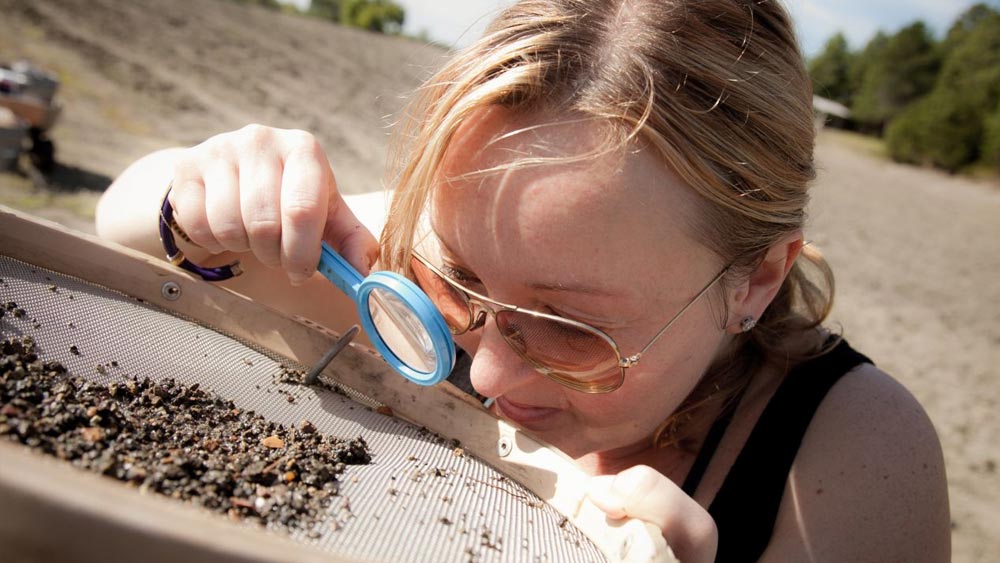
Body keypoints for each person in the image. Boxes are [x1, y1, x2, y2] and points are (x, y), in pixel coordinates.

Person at [95, 1, 950, 561]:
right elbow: (124, 216)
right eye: (458, 280)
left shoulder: (853, 456)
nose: (491, 373)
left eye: (574, 329)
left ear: (757, 278)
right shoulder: (406, 265)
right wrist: (201, 193)